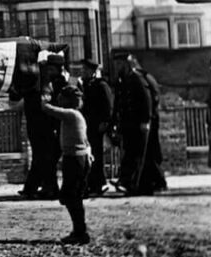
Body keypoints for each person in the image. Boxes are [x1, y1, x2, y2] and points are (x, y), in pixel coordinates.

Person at [10, 54, 67, 199]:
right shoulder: (40, 83)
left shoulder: (58, 83)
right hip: (39, 125)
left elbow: (54, 104)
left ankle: (49, 188)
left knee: (47, 158)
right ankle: (34, 187)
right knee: (42, 157)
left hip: (49, 126)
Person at [41, 85, 92, 244]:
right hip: (76, 159)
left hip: (75, 160)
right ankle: (79, 230)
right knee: (71, 196)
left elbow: (47, 109)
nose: (59, 99)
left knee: (71, 197)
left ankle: (80, 232)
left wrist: (44, 96)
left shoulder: (71, 114)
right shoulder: (76, 115)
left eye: (62, 96)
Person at [112, 53, 165, 195]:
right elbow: (119, 104)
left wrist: (145, 120)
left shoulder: (136, 78)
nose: (117, 67)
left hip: (138, 124)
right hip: (129, 124)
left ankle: (131, 184)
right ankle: (131, 182)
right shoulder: (123, 80)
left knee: (136, 155)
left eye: (120, 64)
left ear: (127, 64)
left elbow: (146, 99)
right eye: (116, 64)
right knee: (133, 153)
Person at [79, 59, 114, 195]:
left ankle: (99, 184)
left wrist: (105, 122)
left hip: (97, 126)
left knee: (97, 156)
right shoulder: (86, 85)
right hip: (89, 126)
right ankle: (93, 183)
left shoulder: (101, 85)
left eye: (86, 70)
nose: (83, 72)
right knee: (91, 155)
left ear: (93, 72)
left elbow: (108, 105)